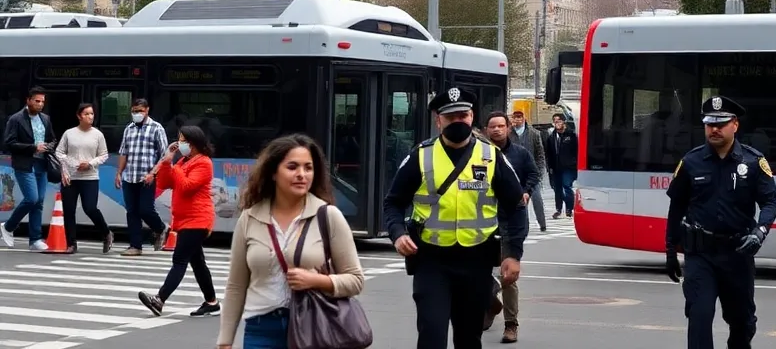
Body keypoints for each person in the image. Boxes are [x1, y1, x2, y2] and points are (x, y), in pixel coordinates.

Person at [383, 87, 527, 349]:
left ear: (472, 117)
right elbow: (393, 202)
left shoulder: (491, 156)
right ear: (439, 120)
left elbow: (516, 206)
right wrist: (398, 233)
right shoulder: (421, 156)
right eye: (451, 117)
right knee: (432, 335)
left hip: (477, 261)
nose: (458, 122)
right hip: (431, 261)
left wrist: (512, 254)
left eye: (464, 115)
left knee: (469, 338)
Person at [217, 134, 366, 349]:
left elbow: (356, 280)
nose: (301, 175)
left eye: (308, 168)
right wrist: (225, 341)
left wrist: (316, 281)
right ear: (273, 173)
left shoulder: (328, 215)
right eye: (292, 167)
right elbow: (236, 286)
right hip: (261, 329)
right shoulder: (250, 218)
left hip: (314, 326)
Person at [664, 96, 776, 349]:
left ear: (735, 125)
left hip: (737, 254)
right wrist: (671, 250)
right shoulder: (691, 162)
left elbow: (770, 202)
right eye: (709, 124)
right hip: (700, 255)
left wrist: (760, 232)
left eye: (721, 123)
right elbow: (676, 207)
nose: (714, 129)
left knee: (742, 322)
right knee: (699, 316)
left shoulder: (752, 161)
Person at [138, 125, 220, 317]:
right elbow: (166, 183)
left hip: (197, 219)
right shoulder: (183, 161)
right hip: (184, 219)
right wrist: (167, 163)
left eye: (183, 140)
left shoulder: (204, 163)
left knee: (180, 260)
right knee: (198, 262)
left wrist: (174, 167)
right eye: (179, 140)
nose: (180, 143)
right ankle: (212, 302)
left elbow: (186, 186)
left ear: (194, 143)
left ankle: (160, 299)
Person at [483, 111, 539, 343]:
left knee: (509, 275)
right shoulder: (479, 155)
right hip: (483, 223)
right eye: (492, 126)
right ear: (487, 130)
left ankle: (511, 324)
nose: (496, 130)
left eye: (501, 126)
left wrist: (526, 192)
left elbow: (534, 174)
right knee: (477, 272)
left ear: (508, 128)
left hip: (512, 221)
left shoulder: (520, 154)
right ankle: (489, 302)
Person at [1, 86, 57, 251]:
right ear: (28, 100)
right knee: (31, 199)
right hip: (25, 164)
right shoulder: (16, 119)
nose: (40, 104)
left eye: (42, 102)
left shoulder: (45, 119)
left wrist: (48, 146)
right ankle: (8, 226)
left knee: (38, 202)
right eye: (37, 101)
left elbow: (53, 138)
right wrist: (33, 148)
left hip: (42, 164)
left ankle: (35, 239)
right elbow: (9, 143)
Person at [55, 102, 114, 254]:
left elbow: (104, 155)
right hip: (71, 177)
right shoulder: (69, 133)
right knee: (69, 210)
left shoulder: (97, 134)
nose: (90, 116)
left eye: (92, 114)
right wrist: (73, 164)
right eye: (86, 114)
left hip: (90, 177)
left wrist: (90, 163)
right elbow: (59, 153)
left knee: (90, 208)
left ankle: (106, 232)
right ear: (79, 116)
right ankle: (71, 243)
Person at [115, 98, 169, 255]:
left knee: (145, 209)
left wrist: (153, 173)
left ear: (147, 110)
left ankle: (161, 228)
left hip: (147, 177)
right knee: (131, 211)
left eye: (140, 111)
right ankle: (135, 246)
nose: (137, 114)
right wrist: (119, 172)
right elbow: (123, 152)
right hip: (129, 176)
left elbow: (165, 155)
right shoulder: (129, 129)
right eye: (134, 111)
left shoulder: (156, 128)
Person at [510, 110, 548, 231]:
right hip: (516, 173)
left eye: (519, 118)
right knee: (521, 201)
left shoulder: (534, 133)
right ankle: (523, 225)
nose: (517, 120)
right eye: (515, 118)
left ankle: (542, 224)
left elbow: (540, 154)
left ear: (524, 119)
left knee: (537, 199)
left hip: (532, 172)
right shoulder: (509, 133)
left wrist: (540, 171)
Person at [545, 113, 577, 218]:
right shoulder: (551, 137)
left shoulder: (571, 135)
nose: (556, 123)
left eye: (558, 121)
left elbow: (577, 151)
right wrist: (549, 167)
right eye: (555, 121)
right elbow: (548, 154)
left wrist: (574, 164)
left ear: (564, 122)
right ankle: (558, 209)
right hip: (555, 167)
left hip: (568, 167)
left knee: (566, 186)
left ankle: (569, 209)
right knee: (557, 188)